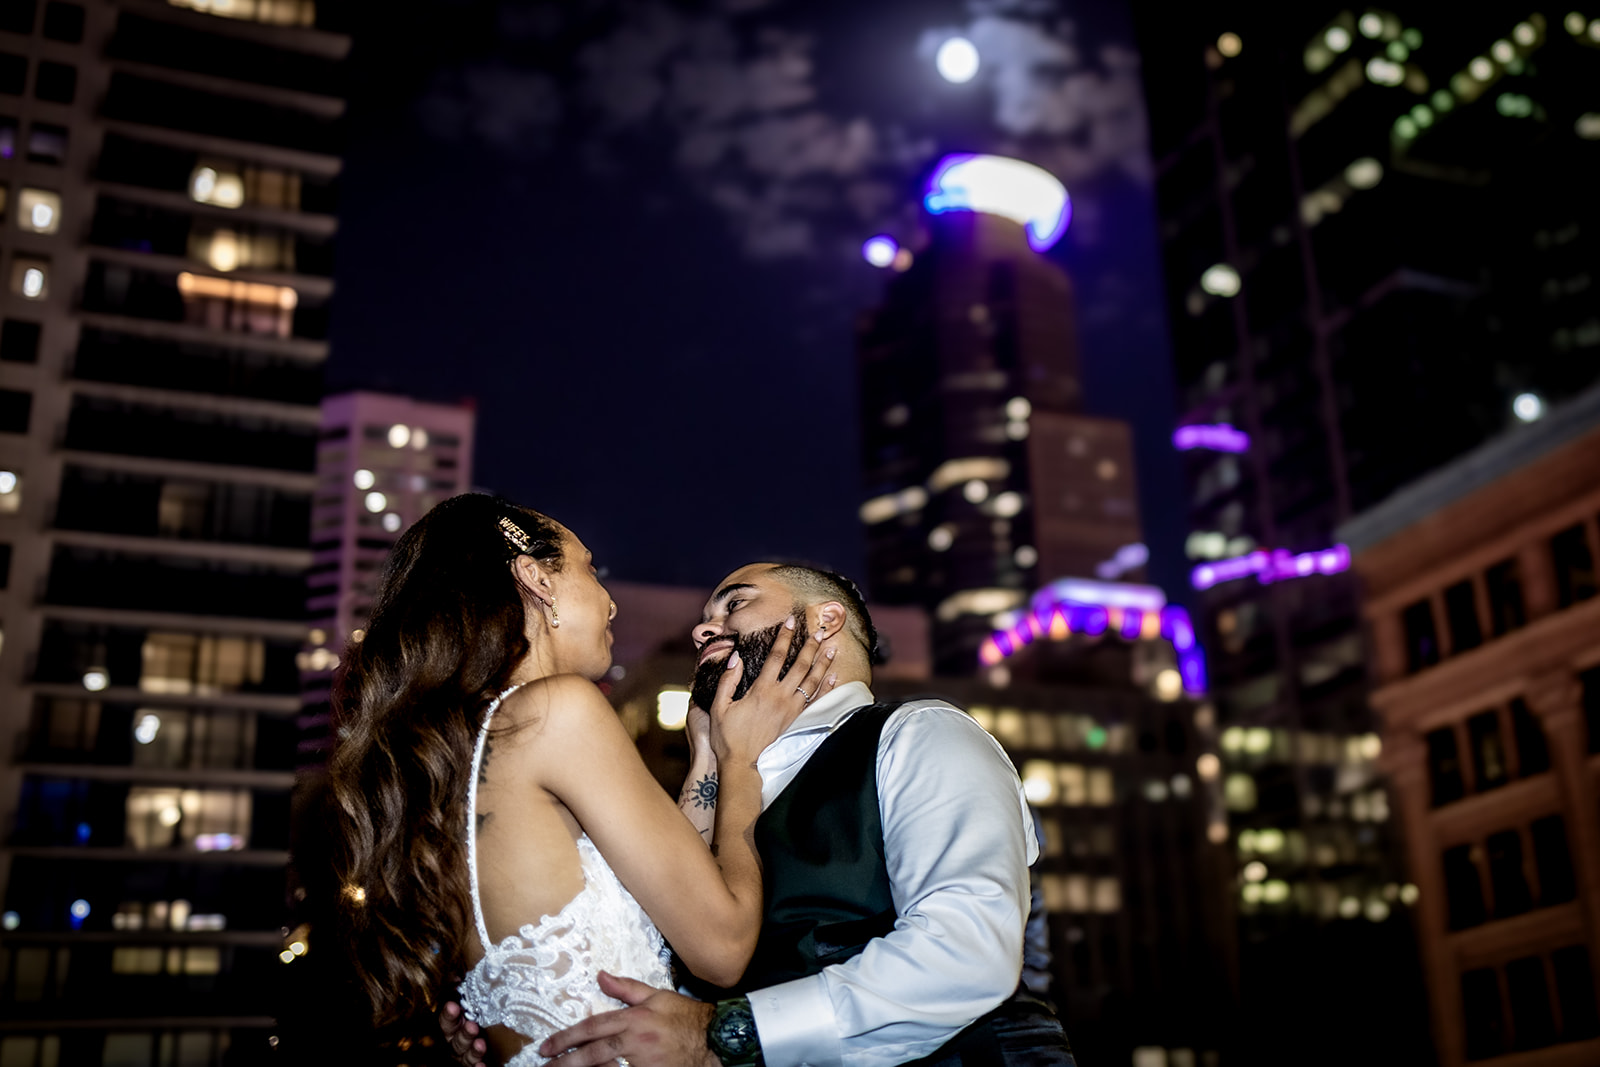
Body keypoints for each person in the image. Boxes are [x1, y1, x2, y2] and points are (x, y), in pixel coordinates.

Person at [444, 562, 1075, 1067]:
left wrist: (728, 1035)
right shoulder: (716, 782)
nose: (702, 630)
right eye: (702, 617)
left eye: (734, 604)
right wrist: (520, 1015)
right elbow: (663, 967)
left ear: (824, 624)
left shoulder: (921, 733)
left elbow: (967, 950)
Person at [326, 495, 839, 1064]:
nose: (611, 604)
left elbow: (666, 903)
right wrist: (742, 760)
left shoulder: (454, 752)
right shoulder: (558, 712)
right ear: (536, 578)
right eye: (591, 570)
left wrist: (706, 759)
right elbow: (722, 947)